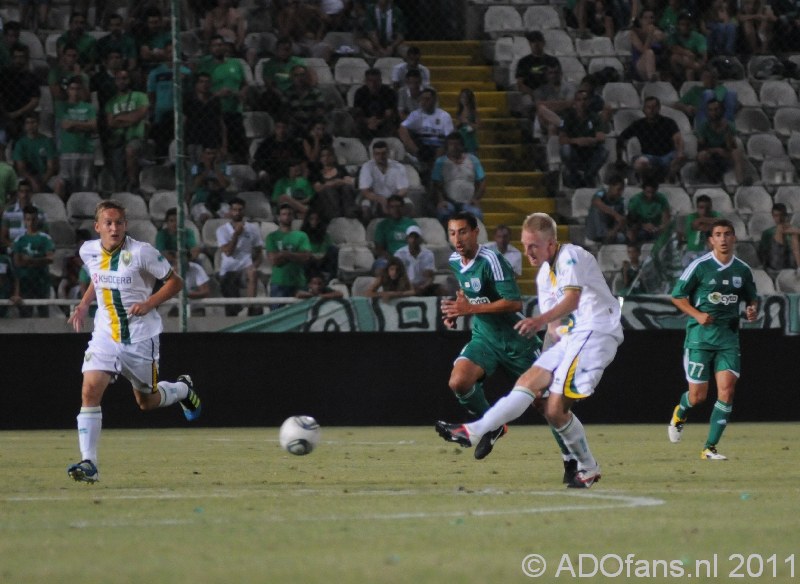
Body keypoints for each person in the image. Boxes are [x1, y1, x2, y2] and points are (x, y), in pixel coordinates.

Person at [436, 212, 624, 488]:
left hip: (598, 332)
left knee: (554, 408)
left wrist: (537, 321)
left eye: (533, 246)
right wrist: (547, 361)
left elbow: (571, 301)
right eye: (524, 246)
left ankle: (576, 463)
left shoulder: (571, 256)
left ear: (551, 243)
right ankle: (476, 430)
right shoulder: (544, 277)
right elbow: (554, 327)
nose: (527, 252)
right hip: (568, 337)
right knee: (529, 386)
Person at [66, 199, 201, 483]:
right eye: (108, 223)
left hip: (140, 338)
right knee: (90, 389)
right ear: (98, 227)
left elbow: (175, 282)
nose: (114, 228)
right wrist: (83, 304)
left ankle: (181, 389)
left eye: (119, 223)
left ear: (126, 225)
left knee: (147, 401)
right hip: (105, 335)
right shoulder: (88, 250)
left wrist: (150, 303)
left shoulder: (142, 252)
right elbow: (97, 277)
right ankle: (89, 463)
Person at [436, 212, 554, 464]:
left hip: (516, 341)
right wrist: (457, 312)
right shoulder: (455, 260)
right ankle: (492, 426)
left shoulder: (492, 259)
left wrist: (470, 309)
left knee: (546, 406)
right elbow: (471, 295)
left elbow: (513, 302)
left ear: (476, 232)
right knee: (459, 381)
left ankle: (573, 460)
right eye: (452, 233)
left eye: (463, 232)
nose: (457, 238)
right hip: (485, 337)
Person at [667, 218, 758, 460]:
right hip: (700, 339)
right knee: (698, 397)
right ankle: (680, 412)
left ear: (734, 237)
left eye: (728, 234)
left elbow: (752, 299)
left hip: (728, 338)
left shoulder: (742, 270)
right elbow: (677, 296)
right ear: (711, 240)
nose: (723, 239)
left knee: (726, 392)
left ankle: (709, 448)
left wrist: (751, 310)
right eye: (718, 234)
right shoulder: (700, 266)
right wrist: (697, 314)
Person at [197, 34, 249, 163]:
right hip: (214, 112)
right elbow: (199, 89)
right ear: (210, 48)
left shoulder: (236, 63)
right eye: (214, 45)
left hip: (235, 110)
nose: (218, 48)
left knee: (238, 146)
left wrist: (241, 93)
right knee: (217, 148)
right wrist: (217, 94)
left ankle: (238, 170)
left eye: (220, 45)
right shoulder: (205, 65)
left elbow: (245, 84)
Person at [616, 96, 684, 183]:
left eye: (654, 107)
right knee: (640, 164)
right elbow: (621, 138)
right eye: (648, 107)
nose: (651, 110)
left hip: (667, 155)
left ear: (659, 108)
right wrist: (619, 158)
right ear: (644, 109)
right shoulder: (639, 124)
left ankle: (669, 179)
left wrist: (680, 152)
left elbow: (678, 139)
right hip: (649, 156)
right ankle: (647, 182)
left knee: (681, 158)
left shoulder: (669, 122)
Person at [217, 197, 263, 316]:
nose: (237, 212)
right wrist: (236, 235)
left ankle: (251, 308)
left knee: (252, 272)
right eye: (234, 210)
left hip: (245, 268)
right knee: (232, 307)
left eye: (240, 209)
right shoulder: (222, 230)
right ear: (230, 211)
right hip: (228, 270)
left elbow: (259, 250)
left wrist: (255, 264)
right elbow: (228, 252)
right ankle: (234, 314)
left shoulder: (253, 228)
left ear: (244, 211)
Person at [105, 69, 149, 192]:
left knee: (130, 150)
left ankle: (133, 184)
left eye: (124, 78)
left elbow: (138, 117)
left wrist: (119, 117)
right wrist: (129, 118)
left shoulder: (140, 96)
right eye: (119, 79)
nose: (122, 82)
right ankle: (121, 189)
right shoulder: (111, 102)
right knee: (117, 167)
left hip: (136, 137)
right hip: (118, 140)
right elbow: (111, 123)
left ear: (129, 80)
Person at [431, 132, 486, 224]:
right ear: (447, 146)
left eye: (457, 144)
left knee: (477, 214)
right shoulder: (440, 162)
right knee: (443, 213)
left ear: (462, 146)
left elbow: (482, 181)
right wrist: (440, 200)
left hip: (468, 202)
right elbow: (436, 183)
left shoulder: (473, 160)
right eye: (451, 144)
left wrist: (476, 199)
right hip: (448, 201)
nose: (454, 147)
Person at [558, 90, 608, 188]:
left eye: (585, 99)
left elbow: (601, 136)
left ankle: (588, 176)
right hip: (574, 151)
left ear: (589, 101)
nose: (582, 102)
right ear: (575, 102)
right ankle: (574, 174)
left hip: (590, 151)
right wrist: (577, 141)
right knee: (565, 149)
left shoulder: (595, 117)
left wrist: (589, 140)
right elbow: (562, 139)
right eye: (579, 100)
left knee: (604, 151)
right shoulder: (568, 117)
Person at [56, 76, 98, 193]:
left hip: (86, 151)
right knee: (64, 183)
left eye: (77, 89)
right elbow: (65, 125)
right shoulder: (62, 106)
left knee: (85, 187)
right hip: (67, 151)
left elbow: (93, 126)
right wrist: (85, 125)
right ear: (67, 90)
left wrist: (74, 124)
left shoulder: (89, 107)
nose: (75, 92)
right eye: (72, 88)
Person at [398, 88, 454, 172]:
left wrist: (437, 158)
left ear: (434, 100)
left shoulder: (444, 116)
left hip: (438, 150)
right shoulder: (415, 114)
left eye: (427, 99)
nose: (424, 102)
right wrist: (416, 151)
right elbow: (402, 129)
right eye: (422, 99)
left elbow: (449, 138)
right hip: (421, 150)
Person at [12, 205, 54, 318]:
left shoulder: (45, 238)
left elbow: (50, 259)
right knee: (25, 314)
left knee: (43, 313)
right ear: (24, 220)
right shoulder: (19, 240)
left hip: (42, 281)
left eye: (33, 219)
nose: (30, 223)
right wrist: (38, 261)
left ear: (37, 220)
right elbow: (17, 263)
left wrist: (30, 261)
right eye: (28, 219)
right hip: (25, 282)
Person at [266, 203, 312, 304]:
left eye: (289, 214)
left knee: (301, 316)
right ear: (278, 217)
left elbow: (305, 257)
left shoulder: (301, 236)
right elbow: (274, 260)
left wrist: (285, 254)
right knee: (276, 316)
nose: (287, 217)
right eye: (284, 214)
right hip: (279, 282)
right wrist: (295, 255)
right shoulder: (272, 237)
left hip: (299, 282)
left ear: (293, 217)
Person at [12, 113, 64, 199]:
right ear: (24, 126)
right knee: (17, 185)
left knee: (59, 184)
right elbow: (21, 169)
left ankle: (55, 208)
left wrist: (42, 181)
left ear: (38, 124)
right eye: (28, 123)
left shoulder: (47, 141)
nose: (30, 125)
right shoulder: (20, 143)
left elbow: (51, 167)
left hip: (45, 176)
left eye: (33, 122)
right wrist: (32, 181)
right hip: (28, 177)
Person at [358, 140, 410, 223]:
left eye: (383, 153)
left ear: (388, 153)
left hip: (395, 197)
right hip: (375, 198)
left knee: (407, 205)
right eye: (377, 154)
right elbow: (365, 191)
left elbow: (403, 189)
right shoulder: (367, 167)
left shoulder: (399, 167)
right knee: (365, 207)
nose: (381, 156)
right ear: (373, 155)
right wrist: (381, 199)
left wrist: (392, 200)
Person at [695, 98, 746, 184]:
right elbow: (701, 147)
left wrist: (726, 131)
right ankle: (705, 180)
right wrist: (716, 150)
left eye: (716, 110)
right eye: (710, 110)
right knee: (702, 155)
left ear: (721, 110)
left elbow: (732, 146)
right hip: (710, 152)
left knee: (737, 153)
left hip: (724, 152)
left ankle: (740, 181)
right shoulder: (704, 126)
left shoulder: (729, 125)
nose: (713, 113)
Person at [514, 31, 560, 120]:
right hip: (531, 93)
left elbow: (557, 80)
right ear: (529, 44)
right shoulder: (523, 62)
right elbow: (520, 84)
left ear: (543, 43)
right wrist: (533, 94)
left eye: (538, 41)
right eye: (532, 42)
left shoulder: (552, 60)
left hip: (549, 92)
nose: (536, 44)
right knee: (528, 104)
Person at [0, 43, 41, 141]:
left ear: (26, 58)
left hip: (24, 116)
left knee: (21, 143)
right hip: (3, 114)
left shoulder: (31, 77)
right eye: (16, 57)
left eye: (21, 57)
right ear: (11, 58)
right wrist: (5, 114)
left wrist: (16, 114)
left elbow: (35, 100)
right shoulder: (4, 75)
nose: (18, 60)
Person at [673, 66, 737, 129]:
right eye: (707, 77)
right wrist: (687, 108)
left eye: (713, 77)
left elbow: (733, 105)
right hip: (704, 119)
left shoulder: (722, 89)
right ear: (702, 78)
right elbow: (677, 105)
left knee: (731, 95)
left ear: (717, 78)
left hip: (722, 119)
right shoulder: (695, 90)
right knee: (708, 94)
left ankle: (729, 129)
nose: (711, 80)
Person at [184, 72, 227, 163]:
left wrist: (224, 145)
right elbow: (184, 121)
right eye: (201, 82)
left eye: (207, 82)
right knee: (195, 167)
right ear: (196, 84)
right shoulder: (189, 100)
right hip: (194, 140)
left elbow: (221, 122)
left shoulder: (214, 100)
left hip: (212, 140)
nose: (204, 84)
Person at [309, 145, 357, 220]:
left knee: (346, 187)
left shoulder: (340, 169)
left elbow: (350, 181)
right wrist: (331, 184)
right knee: (328, 189)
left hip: (343, 198)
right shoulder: (317, 173)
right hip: (328, 203)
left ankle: (349, 212)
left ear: (333, 157)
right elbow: (318, 188)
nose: (326, 158)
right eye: (323, 156)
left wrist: (340, 181)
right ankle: (337, 214)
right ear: (320, 159)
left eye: (329, 155)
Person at [352, 67, 398, 142]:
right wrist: (368, 121)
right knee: (356, 124)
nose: (373, 84)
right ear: (366, 81)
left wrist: (379, 121)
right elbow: (357, 113)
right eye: (370, 81)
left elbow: (390, 113)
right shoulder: (360, 93)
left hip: (383, 121)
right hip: (366, 121)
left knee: (391, 123)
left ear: (381, 81)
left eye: (376, 81)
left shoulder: (389, 92)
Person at [393, 225, 439, 296]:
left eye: (416, 237)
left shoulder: (428, 254)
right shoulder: (399, 254)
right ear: (407, 239)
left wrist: (423, 286)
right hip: (405, 285)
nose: (413, 240)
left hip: (422, 286)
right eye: (411, 237)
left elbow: (430, 277)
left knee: (442, 290)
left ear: (420, 239)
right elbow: (396, 275)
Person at [626, 176, 672, 244]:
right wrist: (643, 225)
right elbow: (630, 220)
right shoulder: (635, 200)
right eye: (648, 192)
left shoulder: (661, 199)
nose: (650, 195)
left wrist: (661, 227)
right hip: (640, 228)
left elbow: (666, 217)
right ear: (643, 190)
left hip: (657, 229)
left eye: (653, 192)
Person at [757, 203, 800, 273]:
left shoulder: (794, 230)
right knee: (780, 229)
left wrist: (795, 231)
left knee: (794, 234)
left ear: (785, 215)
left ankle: (799, 268)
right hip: (777, 261)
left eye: (781, 215)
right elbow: (763, 252)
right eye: (776, 216)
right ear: (773, 216)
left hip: (792, 260)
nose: (779, 218)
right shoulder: (767, 233)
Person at [682, 194, 721, 267]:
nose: (704, 210)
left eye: (707, 208)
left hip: (710, 252)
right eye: (701, 208)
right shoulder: (691, 216)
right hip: (692, 251)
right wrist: (711, 223)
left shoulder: (716, 214)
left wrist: (701, 220)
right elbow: (697, 226)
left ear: (711, 207)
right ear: (697, 208)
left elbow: (720, 223)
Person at [586, 175, 627, 244]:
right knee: (597, 209)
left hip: (610, 232)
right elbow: (596, 201)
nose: (620, 193)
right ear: (611, 187)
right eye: (618, 189)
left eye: (622, 190)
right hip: (594, 232)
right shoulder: (601, 193)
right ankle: (602, 235)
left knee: (622, 237)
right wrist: (615, 214)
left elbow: (621, 220)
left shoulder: (620, 202)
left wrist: (613, 231)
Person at [669, 11, 708, 83]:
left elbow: (704, 56)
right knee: (674, 57)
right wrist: (687, 53)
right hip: (679, 67)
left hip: (696, 66)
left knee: (689, 71)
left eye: (688, 24)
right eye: (682, 24)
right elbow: (673, 48)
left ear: (691, 25)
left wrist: (699, 65)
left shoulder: (698, 37)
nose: (685, 27)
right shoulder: (674, 36)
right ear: (678, 25)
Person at [630, 8, 666, 82]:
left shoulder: (659, 33)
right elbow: (644, 51)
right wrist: (650, 35)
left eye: (651, 18)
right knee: (649, 53)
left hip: (658, 65)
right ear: (640, 20)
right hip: (640, 66)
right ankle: (652, 78)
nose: (649, 20)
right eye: (645, 18)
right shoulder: (634, 33)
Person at [455, 88, 480, 154]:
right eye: (462, 97)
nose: (464, 99)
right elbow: (456, 127)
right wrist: (458, 124)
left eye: (466, 97)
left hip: (470, 140)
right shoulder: (459, 112)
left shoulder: (474, 112)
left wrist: (467, 122)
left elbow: (477, 126)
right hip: (461, 140)